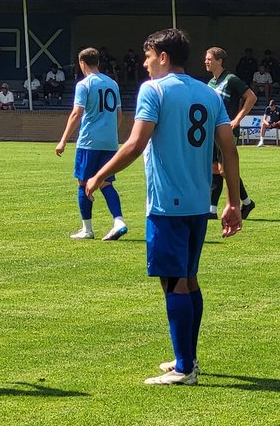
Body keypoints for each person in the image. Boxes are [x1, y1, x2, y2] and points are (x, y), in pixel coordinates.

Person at [85, 28, 241, 386]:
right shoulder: (208, 92)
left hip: (166, 203)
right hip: (199, 202)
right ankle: (187, 356)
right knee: (188, 279)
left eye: (148, 56)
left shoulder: (153, 91)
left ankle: (185, 369)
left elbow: (136, 143)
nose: (144, 63)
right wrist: (232, 200)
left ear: (163, 57)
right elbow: (229, 150)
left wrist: (99, 175)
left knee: (175, 284)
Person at [55, 48, 128, 241]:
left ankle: (87, 229)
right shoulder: (112, 83)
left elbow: (77, 113)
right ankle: (118, 220)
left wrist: (63, 140)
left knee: (83, 182)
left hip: (89, 141)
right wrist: (111, 133)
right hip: (110, 142)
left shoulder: (84, 84)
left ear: (82, 63)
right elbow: (119, 114)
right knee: (105, 182)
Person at [205, 47, 258, 220]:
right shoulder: (210, 83)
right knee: (214, 168)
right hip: (212, 130)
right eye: (205, 59)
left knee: (224, 169)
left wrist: (237, 119)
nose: (206, 61)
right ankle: (212, 210)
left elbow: (251, 97)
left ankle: (246, 202)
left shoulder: (231, 79)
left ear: (219, 61)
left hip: (227, 130)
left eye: (209, 59)